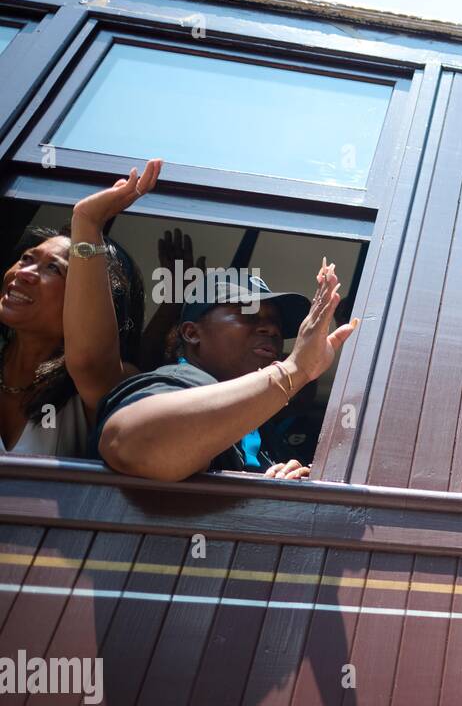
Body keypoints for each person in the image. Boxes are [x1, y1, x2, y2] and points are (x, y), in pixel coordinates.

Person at [95, 259, 357, 481]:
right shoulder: (174, 382)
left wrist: (289, 482)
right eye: (248, 313)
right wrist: (295, 370)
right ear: (192, 333)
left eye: (276, 323)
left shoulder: (259, 424)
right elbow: (132, 446)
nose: (272, 329)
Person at [1, 159, 160, 456]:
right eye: (26, 258)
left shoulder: (106, 380)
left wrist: (86, 220)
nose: (24, 273)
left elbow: (89, 361)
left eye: (53, 269)